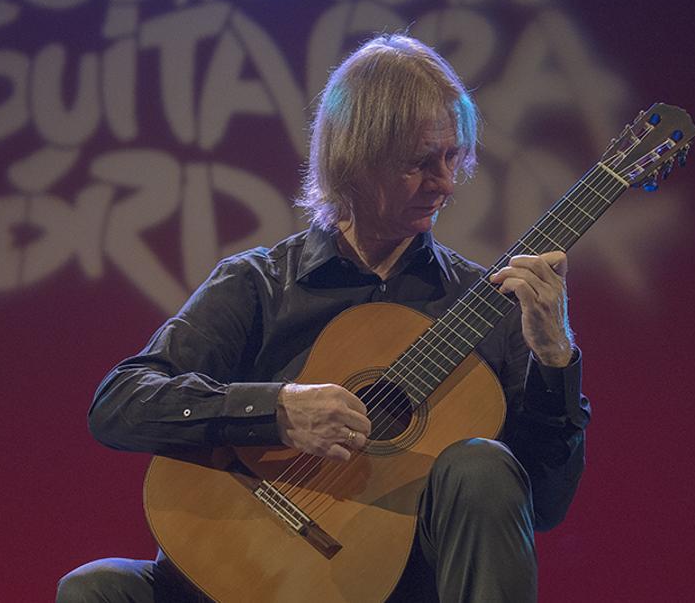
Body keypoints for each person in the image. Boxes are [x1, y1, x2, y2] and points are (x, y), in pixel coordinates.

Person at [57, 33, 591, 602]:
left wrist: (556, 361)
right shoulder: (259, 283)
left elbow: (544, 505)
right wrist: (275, 410)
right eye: (420, 162)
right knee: (95, 590)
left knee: (483, 465)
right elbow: (120, 401)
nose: (445, 182)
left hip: (384, 588)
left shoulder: (487, 306)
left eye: (453, 156)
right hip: (230, 574)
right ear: (354, 157)